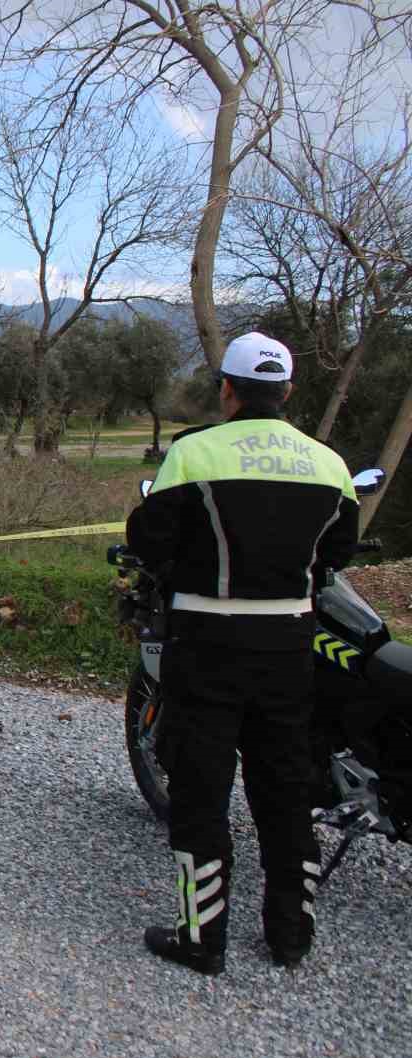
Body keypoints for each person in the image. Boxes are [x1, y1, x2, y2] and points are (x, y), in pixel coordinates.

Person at [126, 331, 359, 975]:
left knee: (200, 791)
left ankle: (202, 939)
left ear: (227, 389)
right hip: (289, 643)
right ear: (287, 391)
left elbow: (148, 538)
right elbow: (338, 553)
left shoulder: (194, 453)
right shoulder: (328, 464)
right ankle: (291, 935)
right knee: (284, 789)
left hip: (206, 641)